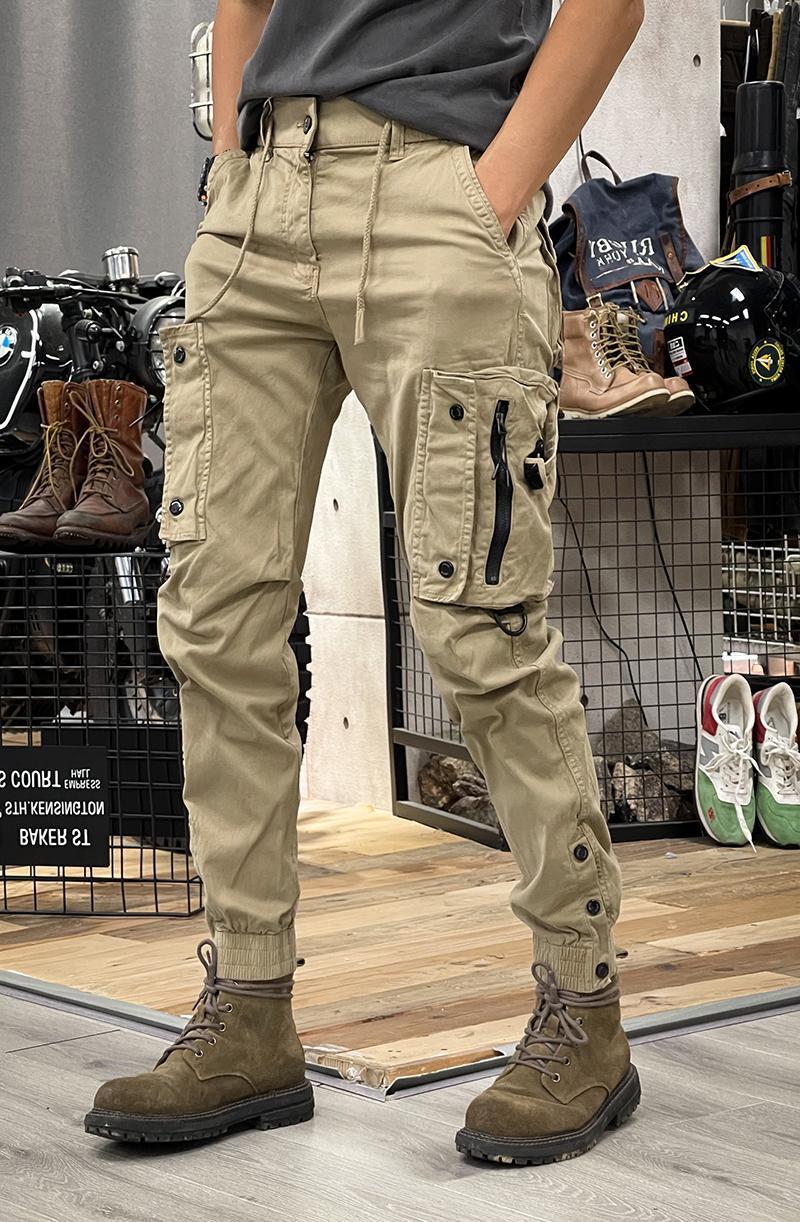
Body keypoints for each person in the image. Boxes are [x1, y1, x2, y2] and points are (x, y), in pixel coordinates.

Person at [85, 0, 645, 1164]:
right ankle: (247, 1011)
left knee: (478, 626)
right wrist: (231, 170)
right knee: (214, 620)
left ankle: (582, 1006)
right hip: (261, 200)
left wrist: (494, 191)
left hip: (440, 189)